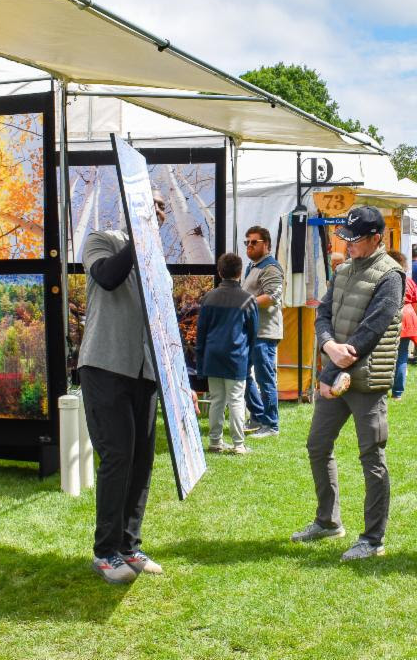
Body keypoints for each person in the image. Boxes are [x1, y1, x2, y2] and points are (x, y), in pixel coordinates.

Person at [292, 206, 404, 561]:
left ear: (376, 238)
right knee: (317, 445)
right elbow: (323, 313)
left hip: (367, 381)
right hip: (337, 374)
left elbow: (376, 325)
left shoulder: (391, 276)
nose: (349, 246)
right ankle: (328, 521)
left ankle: (373, 539)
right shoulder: (341, 271)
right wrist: (328, 347)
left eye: (355, 241)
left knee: (372, 457)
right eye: (347, 239)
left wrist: (342, 357)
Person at [79, 194, 179, 584]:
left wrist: (178, 380)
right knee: (118, 455)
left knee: (141, 460)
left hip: (146, 372)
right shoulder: (101, 239)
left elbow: (164, 320)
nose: (156, 210)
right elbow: (106, 277)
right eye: (147, 204)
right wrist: (141, 237)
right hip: (105, 365)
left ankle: (128, 546)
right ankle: (105, 552)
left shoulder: (157, 262)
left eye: (160, 206)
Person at [195, 252, 258, 455]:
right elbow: (253, 334)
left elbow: (201, 333)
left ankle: (215, 442)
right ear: (240, 273)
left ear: (219, 271)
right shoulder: (248, 299)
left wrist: (200, 361)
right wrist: (249, 361)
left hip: (213, 356)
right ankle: (239, 444)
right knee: (236, 400)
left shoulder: (208, 297)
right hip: (236, 357)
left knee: (217, 400)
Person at [242, 226, 284, 438]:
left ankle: (271, 424)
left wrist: (241, 304)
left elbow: (272, 297)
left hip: (265, 333)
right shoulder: (253, 266)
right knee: (243, 374)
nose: (249, 245)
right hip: (252, 331)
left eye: (254, 242)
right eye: (247, 242)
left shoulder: (271, 267)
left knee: (264, 378)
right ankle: (258, 416)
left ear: (266, 244)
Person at [388, 250, 417, 400]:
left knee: (387, 354)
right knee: (402, 355)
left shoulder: (387, 277)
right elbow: (416, 303)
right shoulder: (409, 281)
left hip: (392, 316)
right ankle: (397, 393)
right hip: (408, 317)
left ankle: (384, 389)